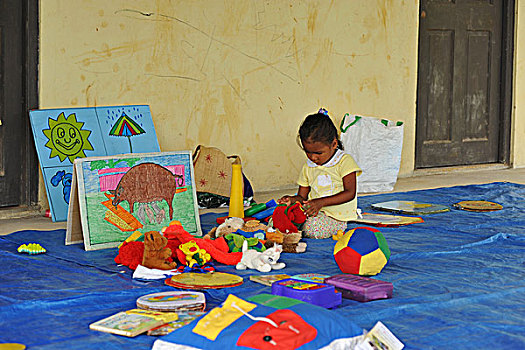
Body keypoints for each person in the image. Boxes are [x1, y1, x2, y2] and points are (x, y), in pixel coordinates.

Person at [279, 108, 362, 239]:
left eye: (318, 153)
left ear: (334, 144)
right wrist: (291, 200)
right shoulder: (308, 166)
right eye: (308, 152)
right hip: (313, 212)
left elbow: (350, 193)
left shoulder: (344, 161)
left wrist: (320, 203)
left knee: (312, 229)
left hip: (337, 216)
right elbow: (302, 197)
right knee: (282, 217)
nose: (313, 157)